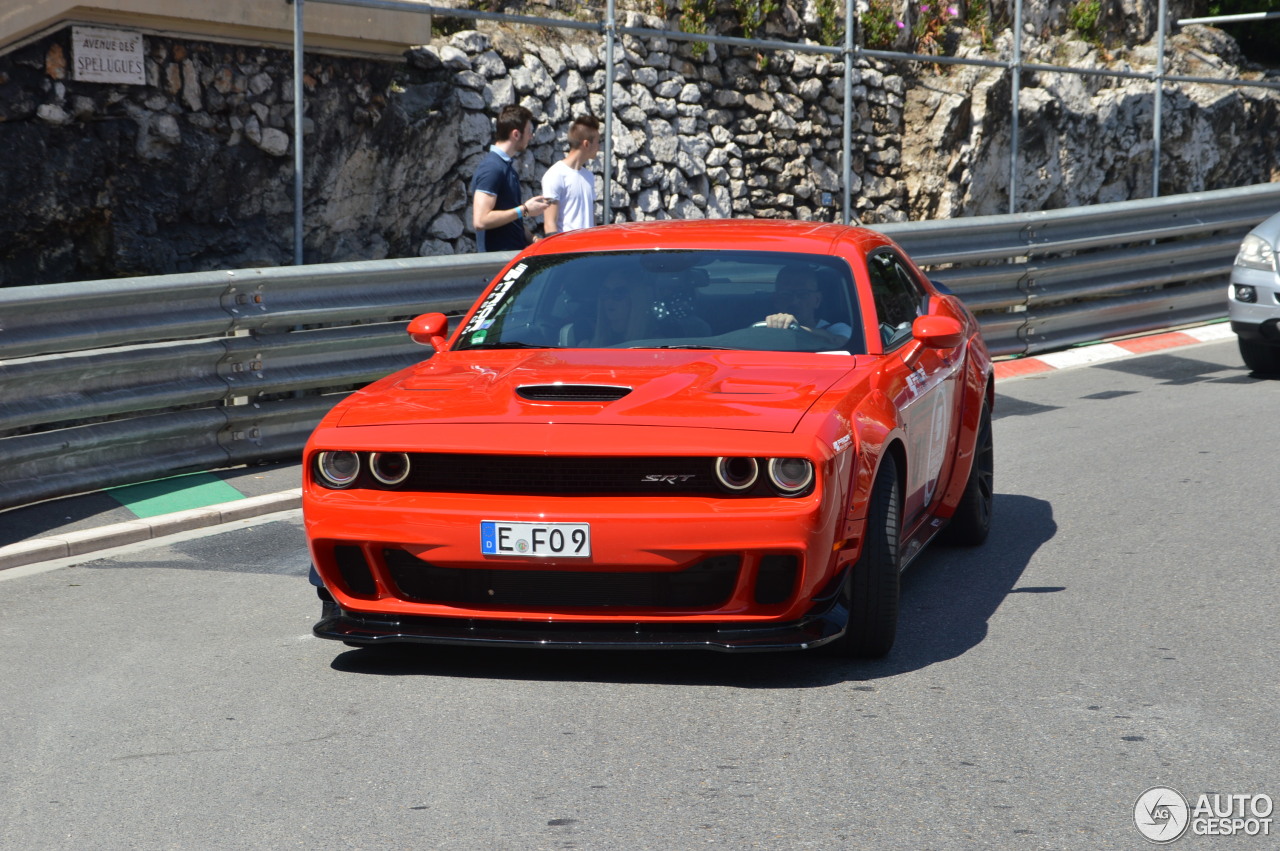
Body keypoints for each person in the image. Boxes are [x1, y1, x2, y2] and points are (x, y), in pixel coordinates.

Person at [470, 105, 549, 252]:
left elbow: (511, 218)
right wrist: (524, 209)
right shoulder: (492, 168)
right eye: (529, 132)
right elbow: (480, 220)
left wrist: (533, 240)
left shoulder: (505, 167)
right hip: (496, 266)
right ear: (516, 134)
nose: (531, 137)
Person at [762, 264, 854, 345]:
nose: (794, 301)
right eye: (786, 294)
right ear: (776, 300)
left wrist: (794, 328)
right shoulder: (762, 328)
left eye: (803, 294)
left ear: (817, 300)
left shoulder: (837, 329)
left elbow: (841, 343)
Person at [542, 115, 601, 236]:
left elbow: (590, 218)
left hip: (588, 250)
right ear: (586, 144)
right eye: (597, 142)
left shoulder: (588, 176)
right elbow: (549, 224)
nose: (599, 147)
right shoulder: (555, 174)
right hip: (567, 251)